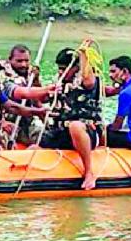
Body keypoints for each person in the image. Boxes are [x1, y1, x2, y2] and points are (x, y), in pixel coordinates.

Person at [39, 43, 103, 190]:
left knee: (75, 126)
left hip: (86, 133)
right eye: (59, 69)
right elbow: (42, 100)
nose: (61, 72)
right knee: (32, 147)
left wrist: (83, 55)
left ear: (76, 69)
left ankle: (89, 173)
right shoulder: (59, 84)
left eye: (64, 69)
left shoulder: (88, 81)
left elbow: (88, 80)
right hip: (60, 133)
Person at [0, 44, 43, 145]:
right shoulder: (2, 74)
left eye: (26, 61)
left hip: (27, 121)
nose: (23, 64)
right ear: (10, 60)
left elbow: (40, 99)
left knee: (43, 136)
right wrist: (1, 122)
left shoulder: (31, 73)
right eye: (19, 61)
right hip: (7, 122)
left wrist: (36, 80)